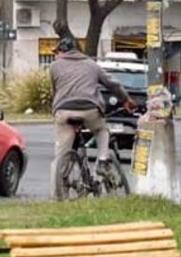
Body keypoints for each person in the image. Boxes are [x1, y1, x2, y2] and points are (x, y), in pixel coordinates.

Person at [49, 36, 135, 200]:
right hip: (90, 109)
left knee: (60, 155)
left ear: (62, 51)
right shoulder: (92, 64)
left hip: (63, 111)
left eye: (57, 52)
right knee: (102, 130)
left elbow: (55, 91)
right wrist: (126, 100)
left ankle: (56, 197)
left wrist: (55, 110)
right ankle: (103, 160)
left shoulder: (54, 67)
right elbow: (112, 84)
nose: (56, 56)